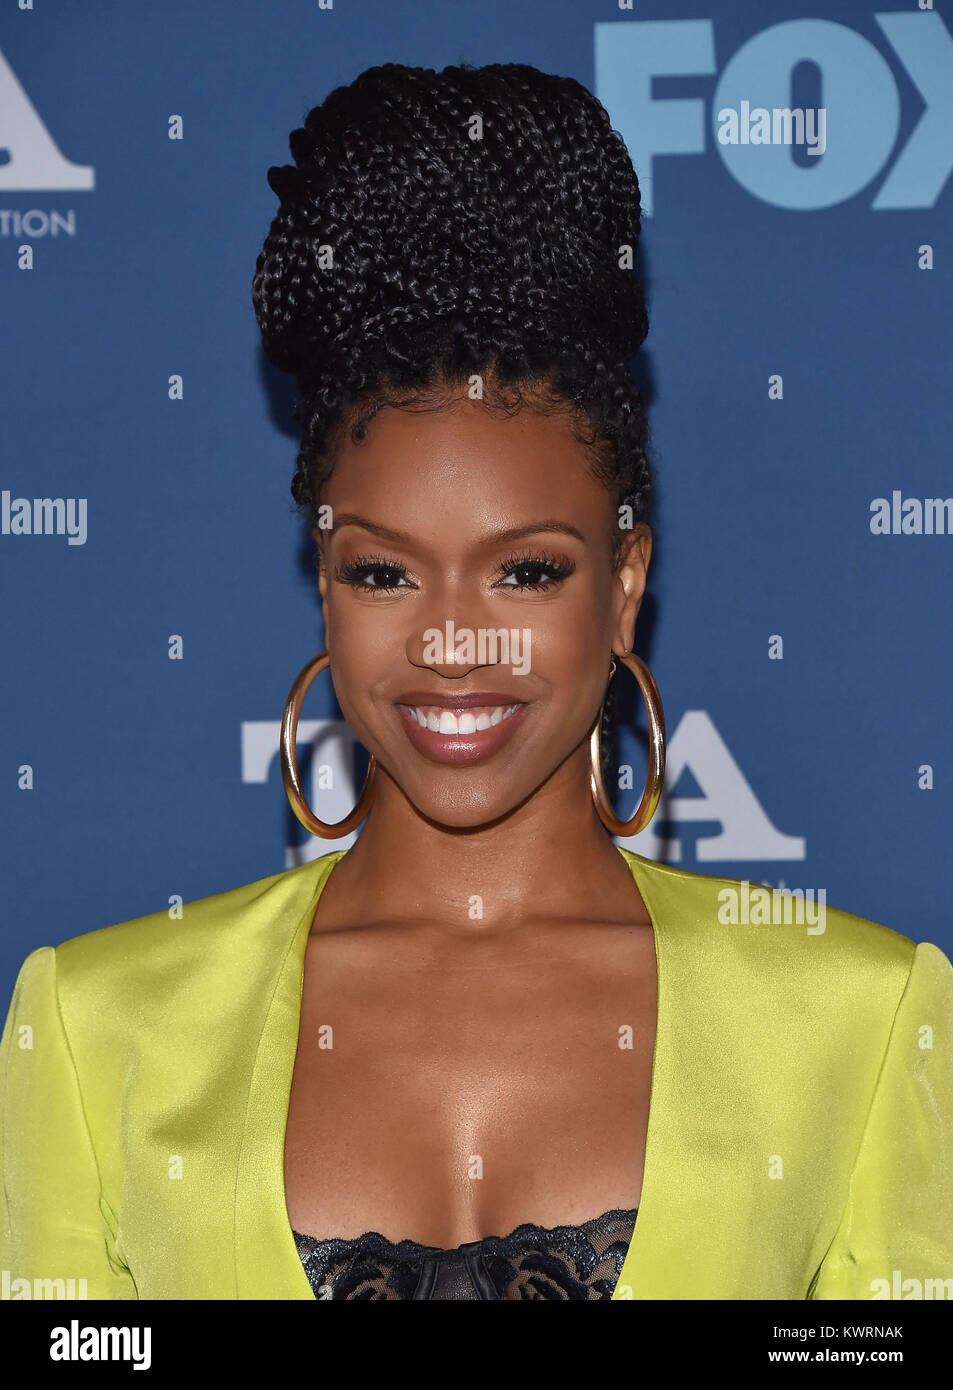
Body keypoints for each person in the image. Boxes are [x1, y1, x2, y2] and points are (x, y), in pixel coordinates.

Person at [1, 61, 951, 1302]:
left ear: (622, 586)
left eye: (526, 573)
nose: (455, 643)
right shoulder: (91, 1029)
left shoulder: (864, 1022)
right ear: (323, 583)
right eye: (386, 574)